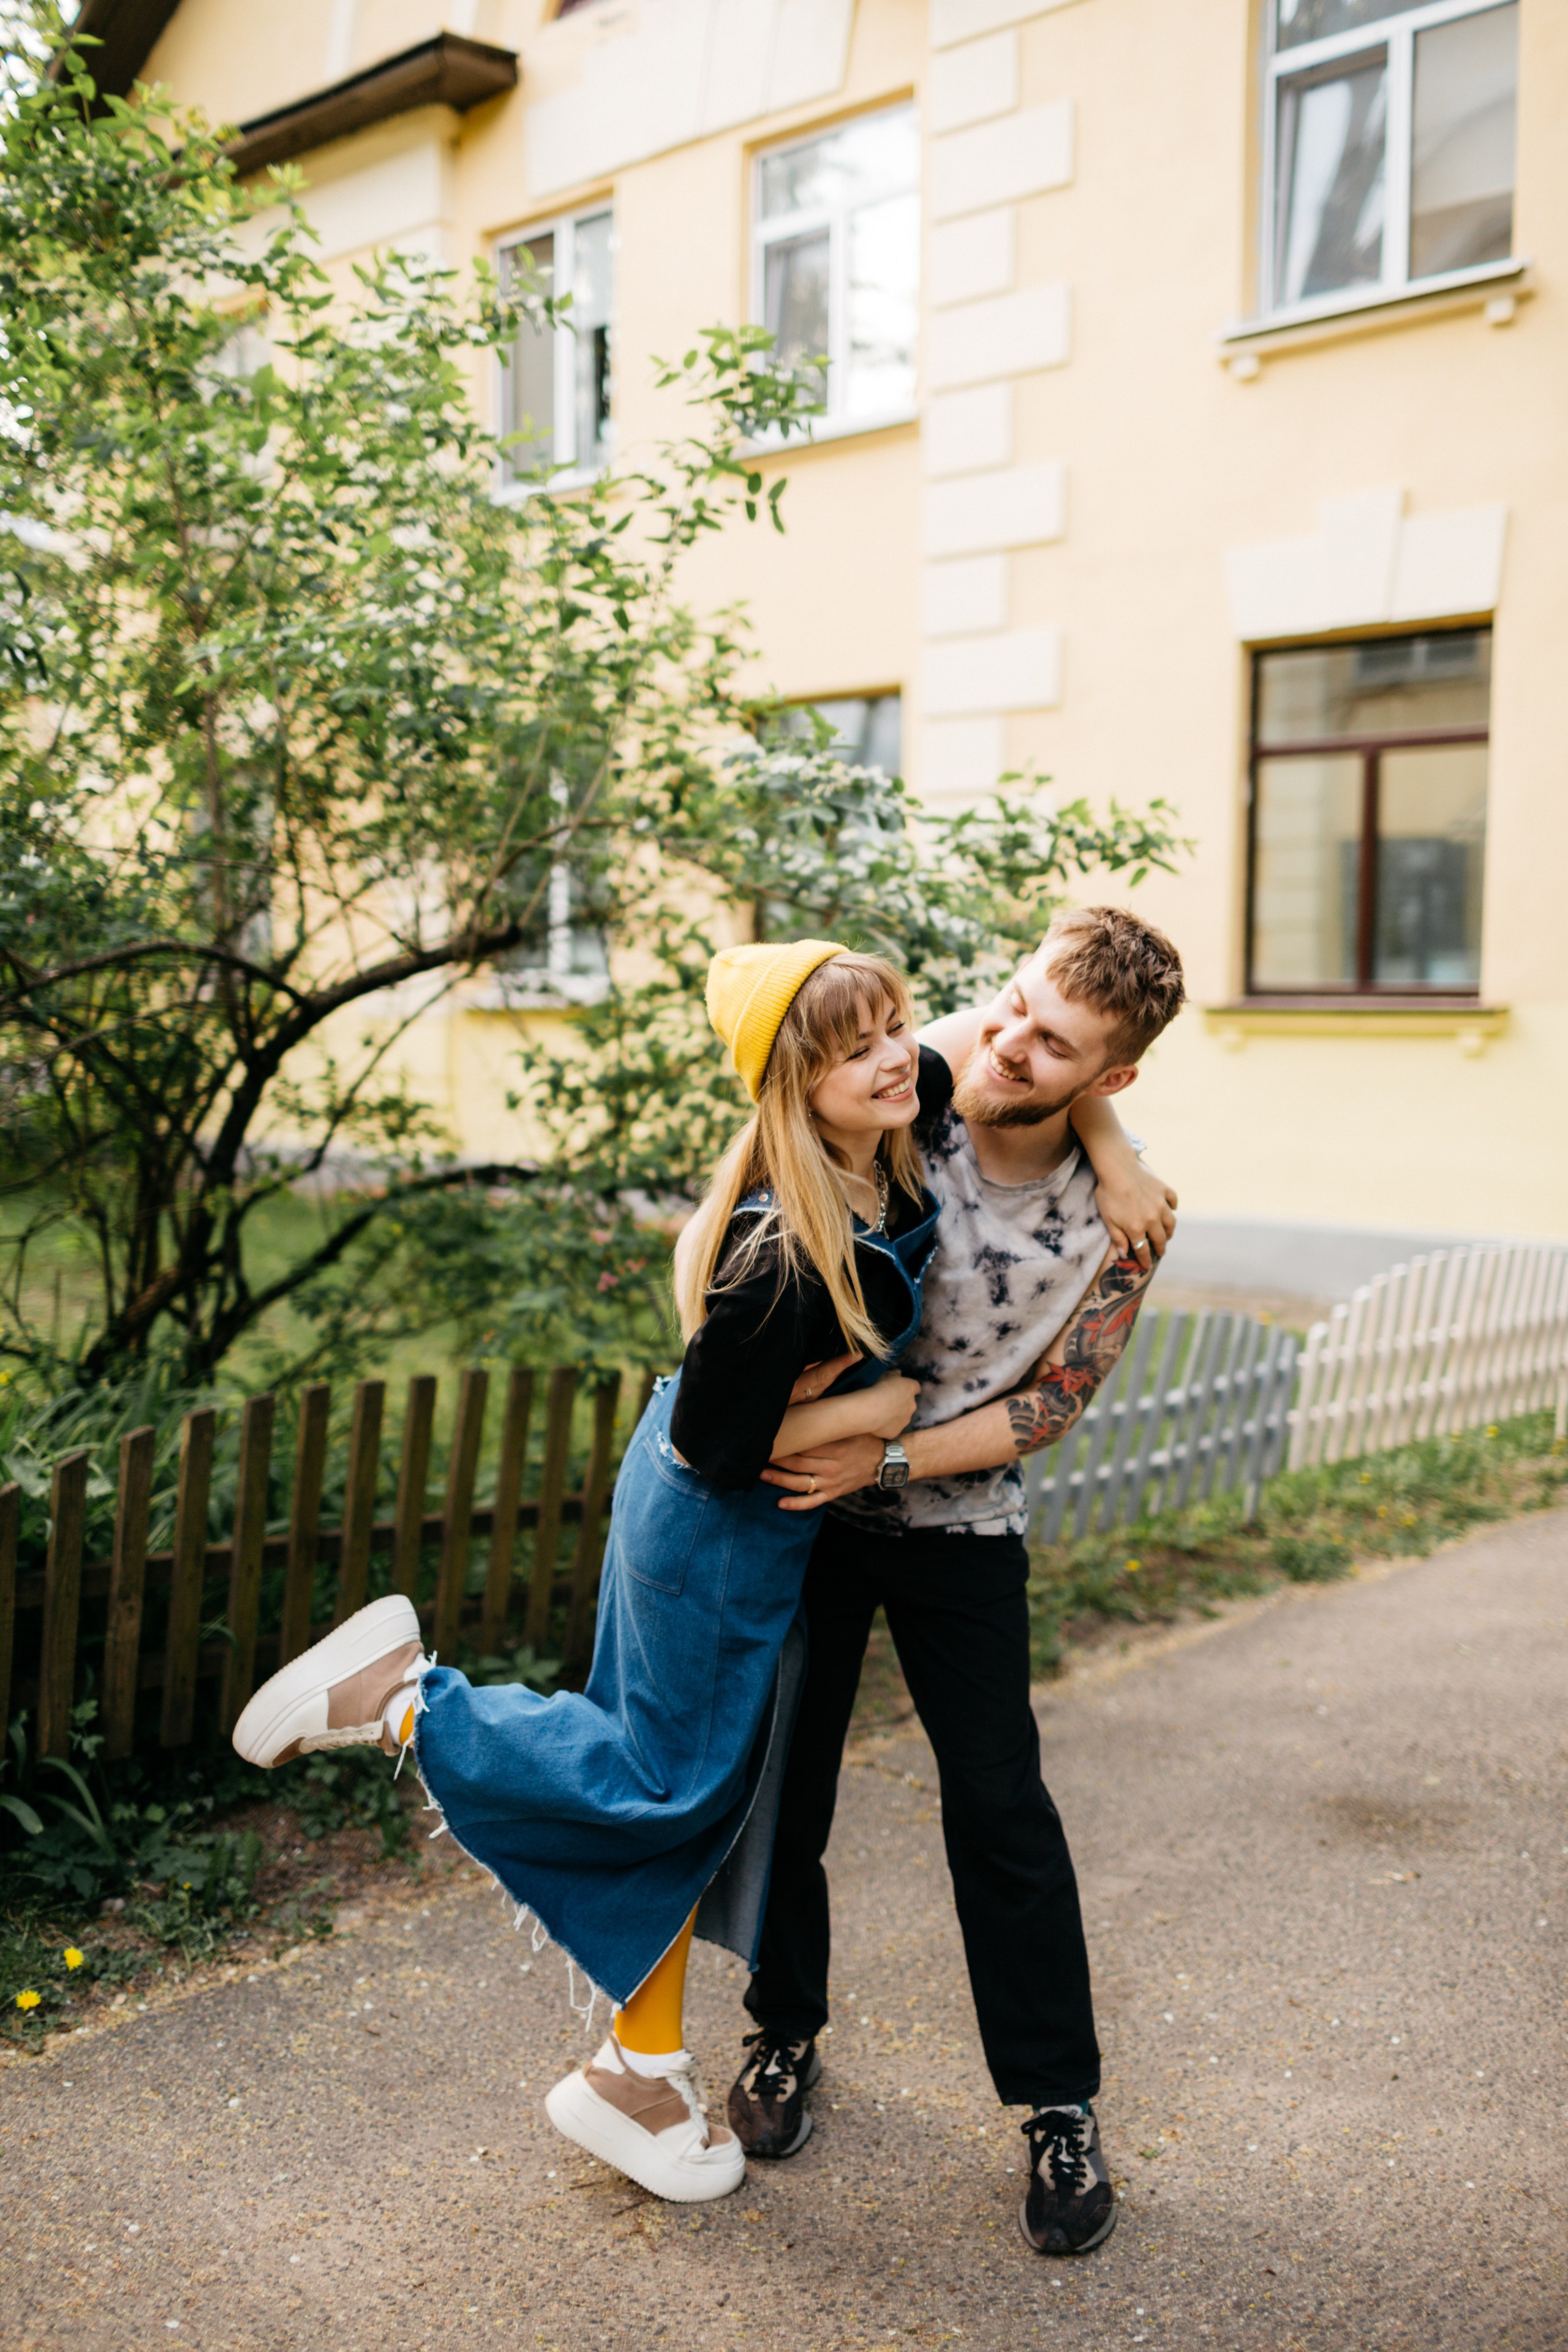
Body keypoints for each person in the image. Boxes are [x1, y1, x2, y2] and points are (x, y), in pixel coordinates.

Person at [725, 905, 1186, 2262]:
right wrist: (1107, 1124)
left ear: (1111, 1077)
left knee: (1001, 1811)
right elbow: (804, 1074)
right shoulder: (911, 1089)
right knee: (785, 1786)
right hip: (803, 1516)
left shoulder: (1121, 1225)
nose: (1009, 1044)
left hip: (960, 1524)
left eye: (1056, 1047)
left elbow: (1050, 1408)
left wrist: (887, 1459)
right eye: (1013, 1003)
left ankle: (1057, 2103)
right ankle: (780, 2033)